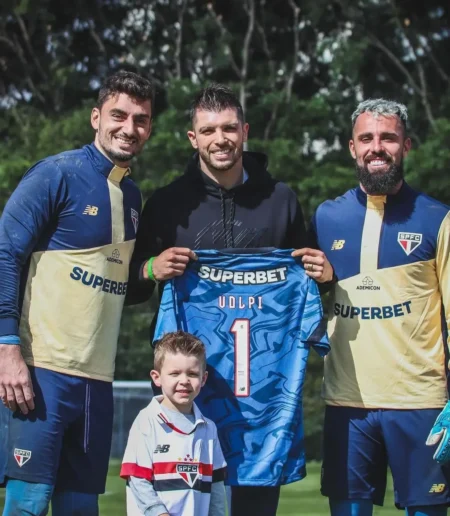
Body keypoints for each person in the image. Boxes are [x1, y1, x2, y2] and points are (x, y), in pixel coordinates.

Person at [126, 83, 308, 515]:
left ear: (245, 131)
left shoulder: (281, 200)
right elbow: (129, 287)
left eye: (229, 128)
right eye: (208, 130)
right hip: (188, 400)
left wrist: (322, 275)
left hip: (262, 406)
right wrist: (151, 269)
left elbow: (306, 281)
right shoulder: (168, 204)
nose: (220, 139)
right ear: (194, 138)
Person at [0, 70, 154, 516]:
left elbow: (120, 286)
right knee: (27, 505)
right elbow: (5, 254)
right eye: (118, 115)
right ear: (95, 117)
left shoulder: (133, 197)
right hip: (39, 374)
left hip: (97, 385)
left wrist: (151, 269)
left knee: (81, 509)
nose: (129, 128)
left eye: (141, 120)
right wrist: (7, 346)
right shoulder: (56, 174)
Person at [294, 98, 450, 516]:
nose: (376, 147)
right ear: (351, 147)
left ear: (407, 146)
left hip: (422, 405)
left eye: (388, 138)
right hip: (348, 404)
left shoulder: (438, 218)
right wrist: (326, 282)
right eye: (367, 138)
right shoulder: (327, 218)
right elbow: (305, 297)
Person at [120, 330, 227, 516]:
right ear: (157, 377)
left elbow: (216, 487)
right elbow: (138, 480)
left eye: (192, 374)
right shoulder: (146, 421)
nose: (184, 381)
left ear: (203, 379)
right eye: (175, 373)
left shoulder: (209, 429)